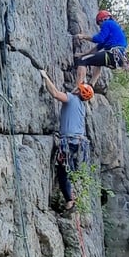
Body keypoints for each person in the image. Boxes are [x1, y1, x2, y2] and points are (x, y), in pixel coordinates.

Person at [41, 68, 93, 210]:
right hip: (79, 144)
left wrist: (45, 77)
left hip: (69, 143)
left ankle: (70, 201)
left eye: (78, 88)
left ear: (78, 92)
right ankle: (70, 197)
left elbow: (55, 94)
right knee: (69, 171)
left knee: (63, 171)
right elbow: (81, 80)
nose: (76, 87)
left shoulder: (71, 98)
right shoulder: (83, 104)